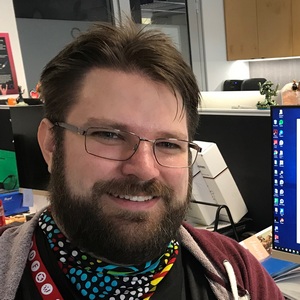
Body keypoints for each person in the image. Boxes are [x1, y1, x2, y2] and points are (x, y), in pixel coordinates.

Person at [0, 21, 284, 300]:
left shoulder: (237, 272)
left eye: (168, 143)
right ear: (51, 144)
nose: (145, 169)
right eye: (109, 135)